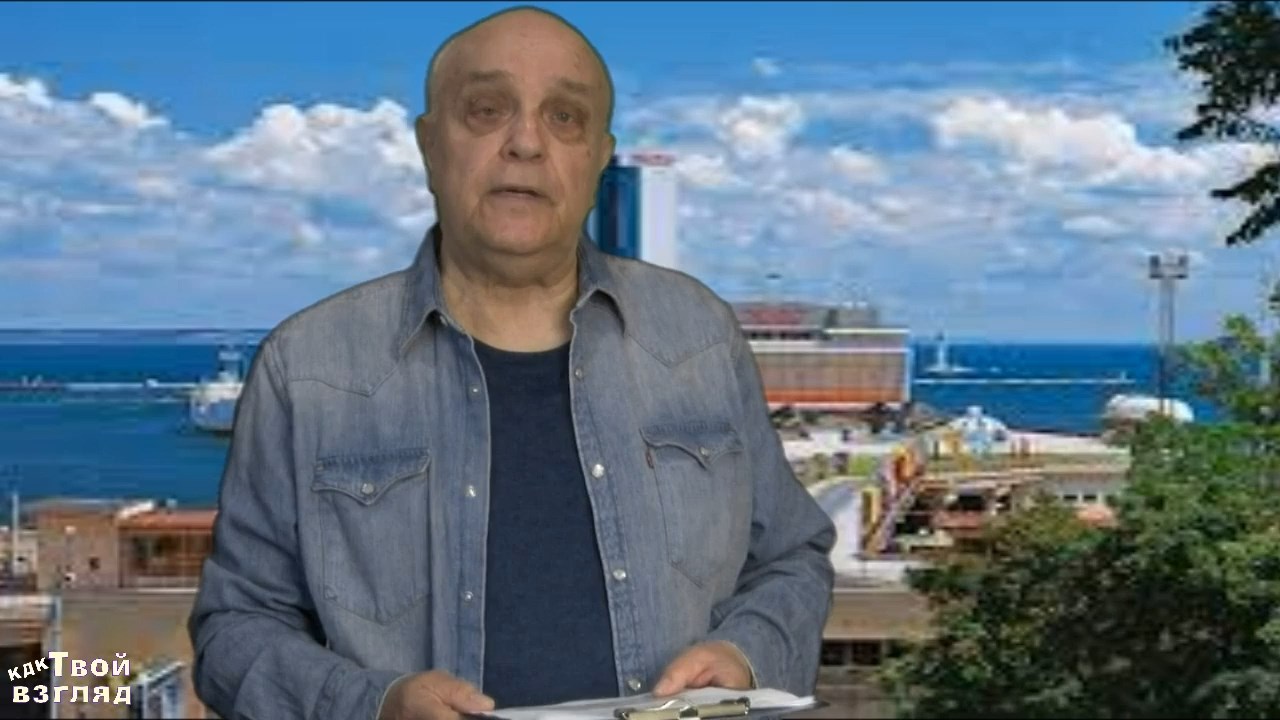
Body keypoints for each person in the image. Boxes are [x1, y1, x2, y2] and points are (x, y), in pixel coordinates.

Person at [187, 6, 836, 720]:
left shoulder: (700, 336)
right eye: (487, 110)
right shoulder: (307, 366)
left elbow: (791, 558)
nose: (526, 143)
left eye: (565, 118)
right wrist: (374, 705)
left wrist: (745, 655)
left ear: (599, 157)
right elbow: (234, 632)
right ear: (430, 145)